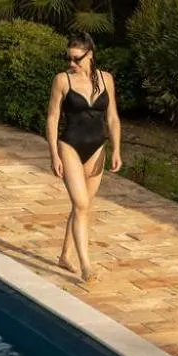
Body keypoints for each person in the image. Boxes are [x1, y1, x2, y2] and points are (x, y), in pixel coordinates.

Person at [45, 32, 121, 283]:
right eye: (69, 58)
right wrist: (54, 153)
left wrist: (117, 149)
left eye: (77, 59)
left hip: (97, 148)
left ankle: (65, 256)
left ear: (90, 55)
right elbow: (53, 118)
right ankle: (86, 265)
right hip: (70, 147)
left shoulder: (106, 79)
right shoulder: (62, 81)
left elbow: (112, 117)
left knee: (83, 207)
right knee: (81, 205)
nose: (71, 64)